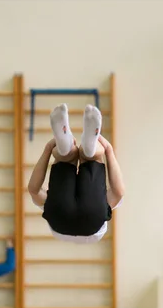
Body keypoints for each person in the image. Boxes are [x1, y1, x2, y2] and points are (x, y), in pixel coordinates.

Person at [28, 103, 124, 243]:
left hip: (91, 217)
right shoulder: (48, 205)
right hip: (61, 217)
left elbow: (118, 192)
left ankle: (88, 148)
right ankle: (66, 147)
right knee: (65, 159)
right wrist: (48, 149)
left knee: (92, 158)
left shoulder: (102, 207)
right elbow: (33, 190)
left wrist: (108, 150)